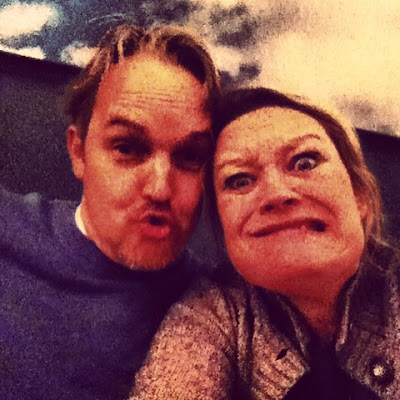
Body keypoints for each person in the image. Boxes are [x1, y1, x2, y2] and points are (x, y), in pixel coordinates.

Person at [130, 88, 400, 400]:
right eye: (239, 180)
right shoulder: (211, 313)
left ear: (359, 196)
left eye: (305, 162)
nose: (276, 193)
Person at [0, 24, 219, 400]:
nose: (160, 189)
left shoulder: (220, 309)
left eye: (190, 156)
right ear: (78, 152)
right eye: (128, 147)